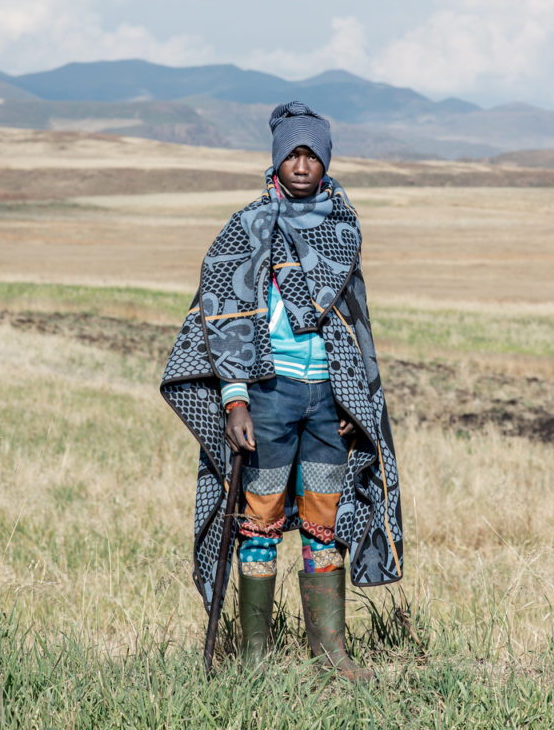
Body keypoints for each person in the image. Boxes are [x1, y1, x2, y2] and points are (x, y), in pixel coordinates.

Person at [161, 101, 402, 680]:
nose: (301, 164)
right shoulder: (248, 226)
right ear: (276, 160)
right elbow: (221, 314)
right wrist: (234, 396)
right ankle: (253, 660)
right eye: (291, 154)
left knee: (326, 519)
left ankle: (330, 652)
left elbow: (353, 327)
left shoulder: (344, 228)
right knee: (259, 520)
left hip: (327, 402)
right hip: (266, 398)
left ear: (325, 162)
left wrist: (352, 399)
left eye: (311, 155)